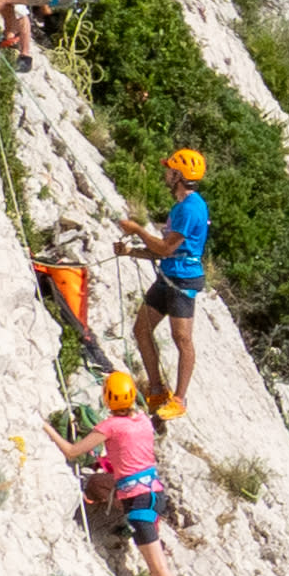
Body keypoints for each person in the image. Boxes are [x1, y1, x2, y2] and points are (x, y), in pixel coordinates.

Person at [54, 369, 197, 576]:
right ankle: (126, 527)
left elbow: (72, 452)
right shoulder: (143, 420)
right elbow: (125, 452)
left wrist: (46, 429)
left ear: (107, 398)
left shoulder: (109, 427)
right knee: (98, 482)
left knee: (157, 568)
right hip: (155, 494)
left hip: (138, 503)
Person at [118, 148, 211, 419]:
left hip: (182, 279)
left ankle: (179, 400)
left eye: (170, 170)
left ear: (178, 175)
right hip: (170, 274)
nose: (165, 173)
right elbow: (164, 251)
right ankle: (157, 389)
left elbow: (165, 248)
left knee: (182, 338)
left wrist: (137, 231)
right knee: (142, 329)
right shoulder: (182, 206)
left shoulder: (190, 210)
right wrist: (130, 251)